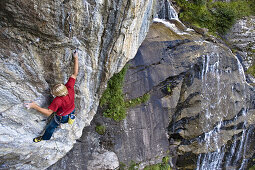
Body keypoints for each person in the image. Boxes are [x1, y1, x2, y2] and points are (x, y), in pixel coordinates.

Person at [25, 50, 79, 143]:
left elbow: (48, 113)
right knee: (66, 114)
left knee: (51, 127)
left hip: (62, 116)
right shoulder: (69, 87)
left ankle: (44, 138)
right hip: (72, 110)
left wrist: (34, 106)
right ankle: (69, 119)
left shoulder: (58, 101)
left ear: (58, 95)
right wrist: (76, 58)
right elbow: (75, 73)